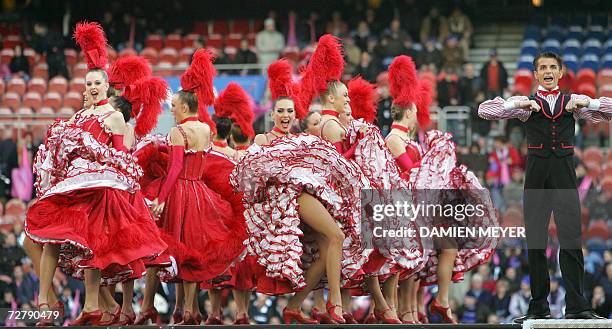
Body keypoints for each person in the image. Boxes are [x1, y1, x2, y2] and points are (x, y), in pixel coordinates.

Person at [25, 22, 167, 326]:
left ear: (106, 87)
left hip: (99, 188)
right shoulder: (76, 116)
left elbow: (120, 158)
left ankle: (93, 305)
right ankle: (44, 301)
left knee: (92, 246)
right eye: (88, 83)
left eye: (97, 83)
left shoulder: (114, 116)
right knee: (50, 239)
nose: (92, 87)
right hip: (70, 187)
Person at [233, 58, 369, 324]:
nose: (285, 116)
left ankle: (294, 306)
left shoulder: (300, 140)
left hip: (303, 196)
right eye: (281, 111)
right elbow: (251, 175)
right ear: (272, 115)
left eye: (290, 112)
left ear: (295, 116)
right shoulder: (262, 140)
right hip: (283, 203)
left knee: (328, 247)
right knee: (336, 236)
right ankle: (335, 304)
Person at [479, 51, 611, 322]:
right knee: (536, 243)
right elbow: (484, 111)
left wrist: (590, 101)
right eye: (542, 68)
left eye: (553, 67)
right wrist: (516, 103)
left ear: (561, 73)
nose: (548, 71)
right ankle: (538, 306)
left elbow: (610, 112)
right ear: (536, 74)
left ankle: (576, 305)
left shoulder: (572, 103)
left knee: (572, 240)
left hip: (564, 174)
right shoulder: (527, 105)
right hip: (537, 177)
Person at [148, 49, 244, 325]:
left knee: (185, 253)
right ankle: (190, 309)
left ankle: (188, 311)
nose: (171, 109)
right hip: (202, 192)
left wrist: (162, 197)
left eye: (174, 105)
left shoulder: (179, 131)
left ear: (184, 106)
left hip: (181, 192)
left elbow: (175, 168)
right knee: (195, 253)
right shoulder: (204, 128)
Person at [201, 82, 255, 325]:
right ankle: (242, 313)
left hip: (213, 213)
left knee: (215, 264)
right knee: (240, 263)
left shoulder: (207, 152)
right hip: (236, 214)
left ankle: (214, 312)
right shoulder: (240, 155)